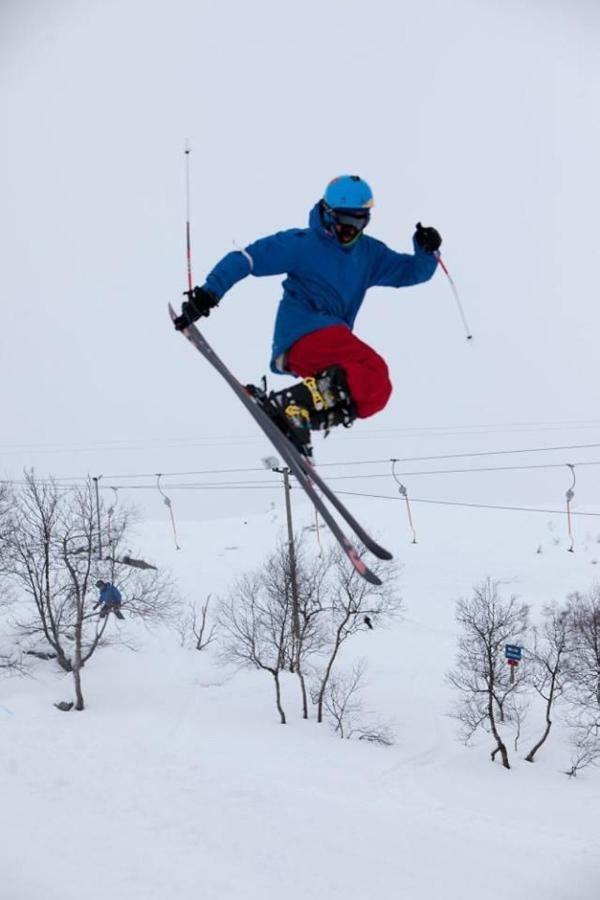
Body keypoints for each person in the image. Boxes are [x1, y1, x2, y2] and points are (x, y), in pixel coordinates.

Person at [174, 175, 441, 454]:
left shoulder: (369, 254)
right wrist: (208, 294)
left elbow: (410, 272)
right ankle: (288, 405)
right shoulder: (302, 244)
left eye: (360, 222)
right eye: (345, 221)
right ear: (327, 214)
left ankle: (296, 417)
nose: (351, 230)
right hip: (304, 332)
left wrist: (427, 252)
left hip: (326, 343)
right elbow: (247, 259)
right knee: (374, 368)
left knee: (374, 393)